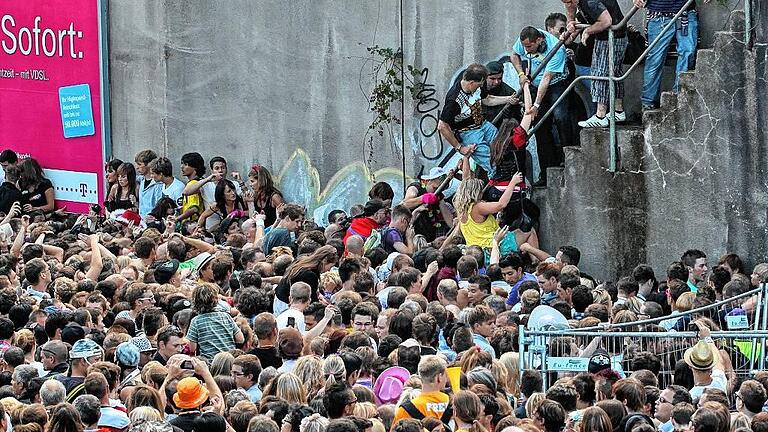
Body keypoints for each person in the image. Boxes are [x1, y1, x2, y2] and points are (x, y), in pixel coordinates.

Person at [510, 26, 574, 177]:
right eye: (524, 46)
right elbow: (514, 55)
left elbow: (546, 79)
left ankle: (568, 157)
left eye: (529, 47)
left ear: (539, 40)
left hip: (556, 83)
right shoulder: (525, 39)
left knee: (561, 117)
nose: (526, 50)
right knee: (539, 126)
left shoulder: (556, 49)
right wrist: (520, 74)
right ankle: (546, 170)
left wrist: (536, 104)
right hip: (536, 85)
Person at [437, 63, 516, 178]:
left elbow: (487, 99)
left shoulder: (477, 86)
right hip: (468, 133)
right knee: (491, 162)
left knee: (503, 146)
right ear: (471, 83)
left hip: (483, 125)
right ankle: (498, 184)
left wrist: (508, 99)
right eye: (479, 84)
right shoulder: (454, 100)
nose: (481, 86)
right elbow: (442, 126)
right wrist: (460, 148)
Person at [562, 0, 628, 128]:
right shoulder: (580, 3)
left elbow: (606, 21)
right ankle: (618, 111)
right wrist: (570, 21)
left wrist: (588, 31)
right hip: (612, 36)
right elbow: (572, 12)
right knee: (614, 73)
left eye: (568, 1)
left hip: (611, 37)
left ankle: (600, 115)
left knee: (601, 74)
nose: (567, 4)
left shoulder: (590, 2)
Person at [634, 0, 701, 111]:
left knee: (688, 53)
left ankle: (679, 96)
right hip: (659, 14)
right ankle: (648, 102)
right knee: (655, 59)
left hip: (686, 12)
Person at [187, 283, 245, 359]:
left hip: (210, 362)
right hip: (229, 360)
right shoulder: (226, 316)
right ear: (216, 299)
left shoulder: (196, 321)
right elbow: (240, 339)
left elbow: (192, 348)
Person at [392, 356, 451, 426]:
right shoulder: (455, 405)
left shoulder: (404, 410)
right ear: (439, 377)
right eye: (445, 375)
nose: (447, 379)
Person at [400, 167, 454, 242]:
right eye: (435, 188)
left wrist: (455, 228)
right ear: (430, 180)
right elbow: (406, 203)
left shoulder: (439, 196)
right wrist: (423, 198)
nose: (436, 191)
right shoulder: (416, 187)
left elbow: (447, 216)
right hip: (413, 234)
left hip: (429, 235)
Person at [483, 61, 520, 125]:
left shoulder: (509, 92)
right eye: (492, 79)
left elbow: (518, 117)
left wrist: (510, 113)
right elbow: (488, 100)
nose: (496, 82)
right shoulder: (478, 88)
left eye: (499, 78)